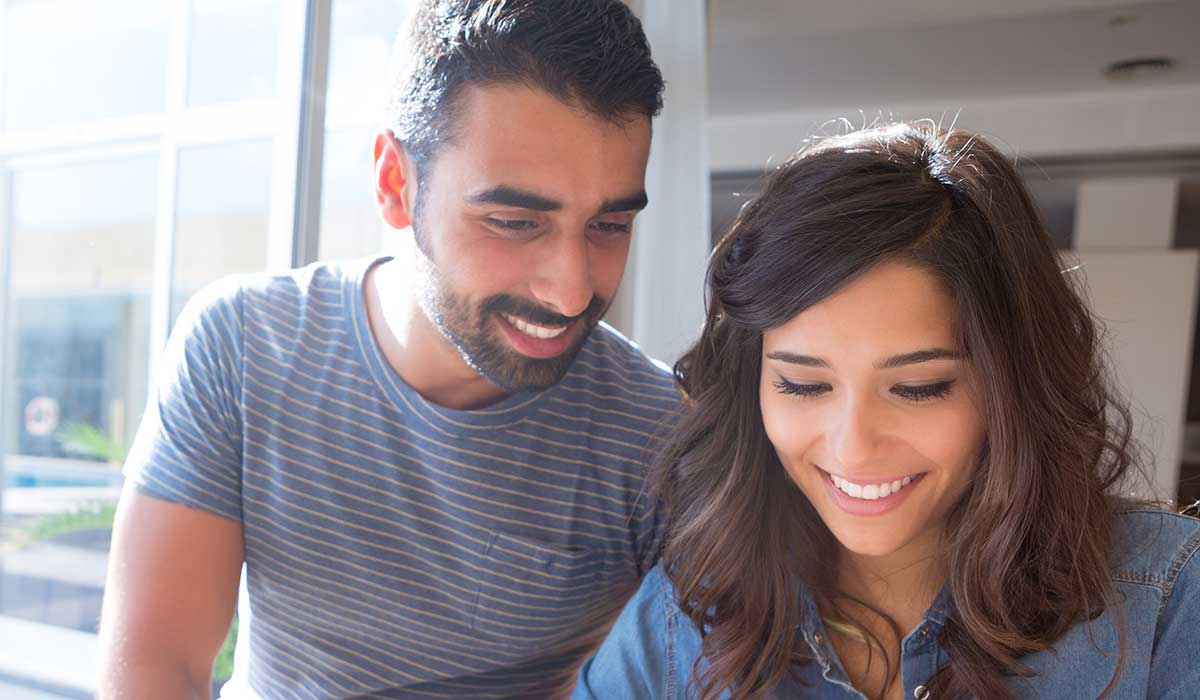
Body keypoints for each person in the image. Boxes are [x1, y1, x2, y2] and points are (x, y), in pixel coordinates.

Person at [97, 1, 681, 698]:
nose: (570, 290)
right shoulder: (245, 345)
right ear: (395, 183)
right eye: (515, 222)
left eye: (609, 225)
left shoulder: (658, 432)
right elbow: (158, 667)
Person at [573, 123, 1200, 700]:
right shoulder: (687, 610)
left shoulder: (1168, 600)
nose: (852, 448)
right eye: (801, 385)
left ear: (1011, 386)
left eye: (920, 387)